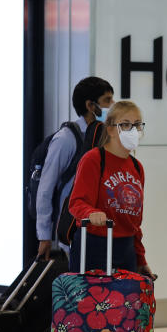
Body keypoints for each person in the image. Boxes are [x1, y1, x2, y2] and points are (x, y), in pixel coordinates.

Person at [67, 100, 155, 280]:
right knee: (92, 305)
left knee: (126, 306)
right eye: (125, 125)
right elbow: (76, 202)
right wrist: (91, 213)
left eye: (137, 125)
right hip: (94, 245)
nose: (133, 130)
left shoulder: (137, 167)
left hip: (126, 248)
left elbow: (135, 223)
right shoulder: (94, 159)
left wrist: (140, 258)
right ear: (110, 129)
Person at [36, 76, 114, 260]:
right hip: (74, 232)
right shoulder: (66, 139)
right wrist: (45, 236)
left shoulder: (107, 137)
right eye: (107, 101)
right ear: (90, 105)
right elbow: (46, 188)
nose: (112, 106)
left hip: (102, 229)